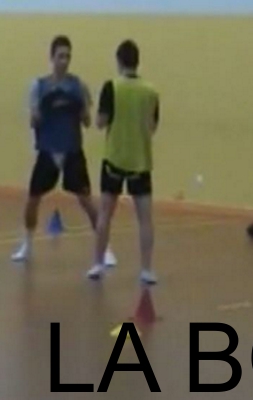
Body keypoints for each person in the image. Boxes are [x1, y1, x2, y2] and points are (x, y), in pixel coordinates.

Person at [11, 35, 117, 265]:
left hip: (72, 150)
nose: (64, 61)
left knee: (86, 201)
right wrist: (46, 108)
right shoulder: (39, 86)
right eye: (60, 56)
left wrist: (79, 108)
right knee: (33, 199)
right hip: (48, 150)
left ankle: (105, 248)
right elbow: (33, 120)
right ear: (52, 58)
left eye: (68, 56)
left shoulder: (78, 86)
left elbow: (87, 121)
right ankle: (26, 245)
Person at [87, 40, 160, 284]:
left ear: (118, 61)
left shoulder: (111, 87)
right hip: (140, 161)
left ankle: (98, 264)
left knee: (105, 215)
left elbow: (100, 123)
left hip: (114, 160)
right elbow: (152, 127)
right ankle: (147, 270)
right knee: (145, 219)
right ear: (137, 61)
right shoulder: (151, 92)